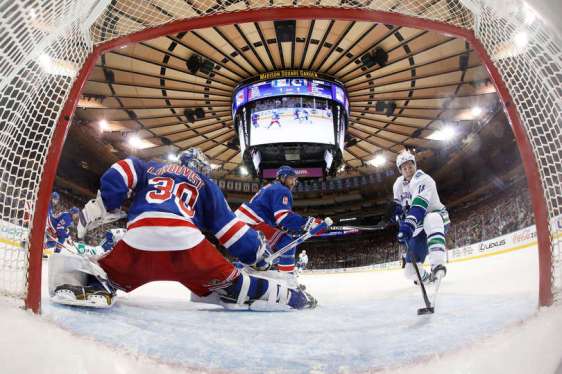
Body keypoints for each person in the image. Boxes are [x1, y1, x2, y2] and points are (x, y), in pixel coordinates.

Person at [49, 148, 316, 311]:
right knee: (238, 286)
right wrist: (257, 254)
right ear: (200, 168)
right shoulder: (206, 184)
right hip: (188, 248)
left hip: (138, 243)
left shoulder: (150, 166)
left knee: (102, 275)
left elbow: (123, 169)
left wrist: (105, 203)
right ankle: (293, 298)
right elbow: (231, 232)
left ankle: (88, 283)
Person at [235, 165, 327, 286]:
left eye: (295, 179)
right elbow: (283, 217)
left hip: (240, 223)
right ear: (283, 178)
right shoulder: (282, 190)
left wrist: (295, 226)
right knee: (287, 244)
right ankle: (288, 284)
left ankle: (235, 276)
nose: (294, 182)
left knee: (264, 257)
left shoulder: (271, 187)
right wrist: (310, 223)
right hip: (252, 223)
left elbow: (277, 220)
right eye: (291, 178)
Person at [392, 150, 450, 284]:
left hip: (437, 220)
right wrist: (397, 218)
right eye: (404, 167)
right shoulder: (398, 185)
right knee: (410, 272)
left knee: (431, 218)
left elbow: (419, 206)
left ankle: (437, 265)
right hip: (418, 228)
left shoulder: (423, 179)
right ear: (400, 170)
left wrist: (408, 226)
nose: (408, 169)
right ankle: (428, 279)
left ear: (415, 165)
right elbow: (398, 207)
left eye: (410, 165)